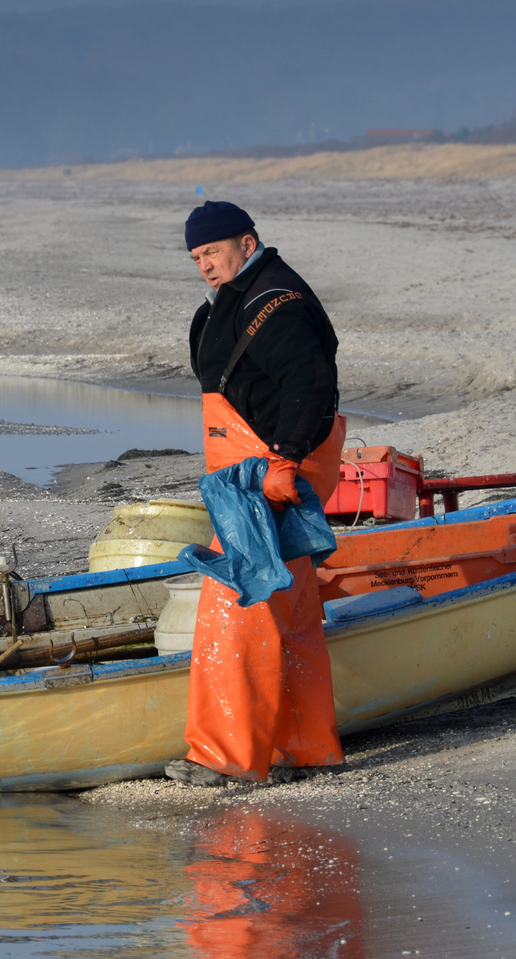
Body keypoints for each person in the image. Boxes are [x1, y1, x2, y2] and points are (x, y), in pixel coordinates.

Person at [166, 200, 347, 787]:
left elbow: (309, 383)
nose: (205, 266)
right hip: (262, 467)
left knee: (238, 604)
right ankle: (304, 747)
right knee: (290, 609)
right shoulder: (246, 295)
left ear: (247, 242)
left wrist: (285, 462)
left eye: (213, 252)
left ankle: (228, 758)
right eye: (196, 257)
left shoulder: (278, 302)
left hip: (270, 471)